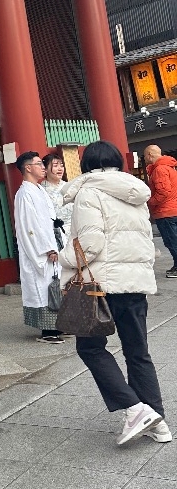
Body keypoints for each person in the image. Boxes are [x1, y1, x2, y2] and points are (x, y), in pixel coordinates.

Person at [60, 140, 170, 446]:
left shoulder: (89, 192)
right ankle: (158, 423)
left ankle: (136, 409)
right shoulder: (135, 192)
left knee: (90, 348)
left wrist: (63, 259)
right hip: (134, 283)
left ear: (86, 165)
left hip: (102, 286)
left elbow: (90, 244)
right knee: (138, 352)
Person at [14, 151, 64, 343]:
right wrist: (47, 248)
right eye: (39, 164)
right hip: (39, 249)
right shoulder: (24, 193)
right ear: (28, 168)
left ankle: (58, 325)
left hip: (50, 242)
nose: (43, 167)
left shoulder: (38, 190)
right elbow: (30, 226)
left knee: (53, 286)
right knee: (42, 288)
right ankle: (48, 330)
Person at [143, 144, 177, 278]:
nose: (145, 159)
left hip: (166, 211)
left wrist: (149, 202)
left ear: (150, 154)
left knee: (171, 241)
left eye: (145, 156)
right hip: (173, 209)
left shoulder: (159, 169)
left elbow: (163, 192)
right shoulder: (170, 167)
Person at [41, 151, 72, 249]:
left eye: (61, 165)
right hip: (57, 235)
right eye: (55, 165)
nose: (60, 168)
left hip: (76, 231)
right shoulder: (41, 190)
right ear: (45, 169)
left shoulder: (70, 186)